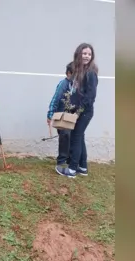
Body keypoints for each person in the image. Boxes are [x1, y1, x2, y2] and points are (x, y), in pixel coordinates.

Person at [59, 43, 98, 178]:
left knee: (76, 137)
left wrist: (78, 111)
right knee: (80, 137)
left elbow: (90, 96)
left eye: (89, 54)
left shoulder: (91, 73)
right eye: (84, 53)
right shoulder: (80, 71)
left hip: (84, 112)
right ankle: (83, 167)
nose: (87, 56)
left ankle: (72, 170)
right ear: (78, 54)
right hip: (79, 111)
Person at [47, 62, 75, 172]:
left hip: (71, 116)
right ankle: (62, 161)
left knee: (71, 137)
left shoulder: (75, 85)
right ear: (68, 73)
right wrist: (50, 115)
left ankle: (69, 159)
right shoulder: (64, 84)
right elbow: (55, 99)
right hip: (62, 117)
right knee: (65, 136)